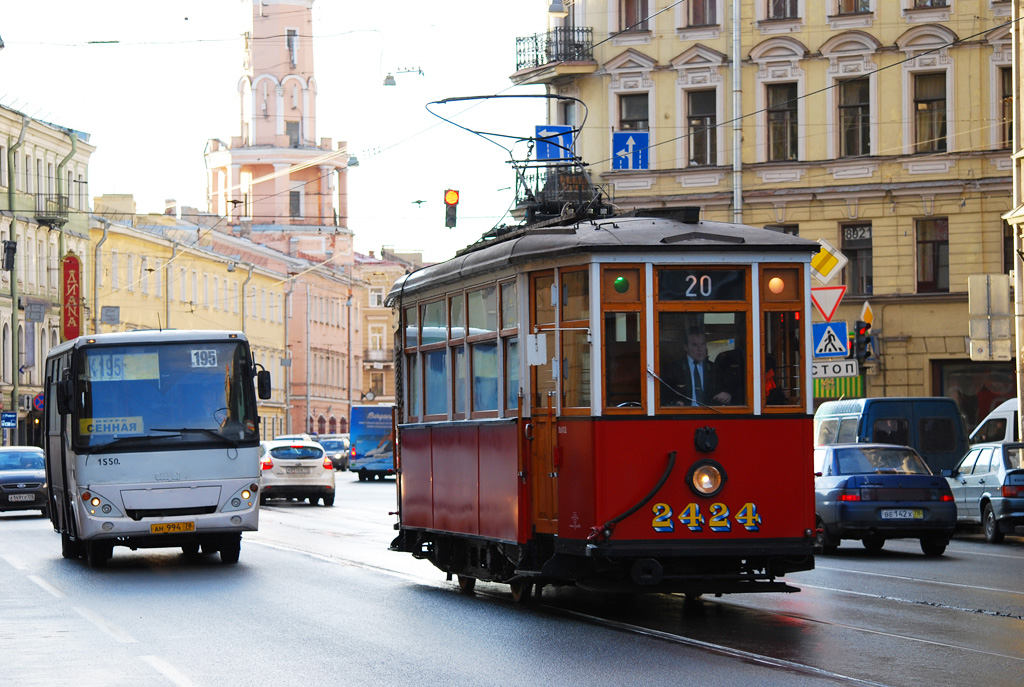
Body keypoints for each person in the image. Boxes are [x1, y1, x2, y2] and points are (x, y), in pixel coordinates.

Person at [669, 328, 732, 406]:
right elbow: (664, 396)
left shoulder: (714, 368)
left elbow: (726, 390)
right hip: (683, 415)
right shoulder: (674, 368)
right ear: (686, 347)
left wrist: (727, 395)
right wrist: (675, 403)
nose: (700, 349)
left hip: (710, 414)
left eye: (703, 344)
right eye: (695, 345)